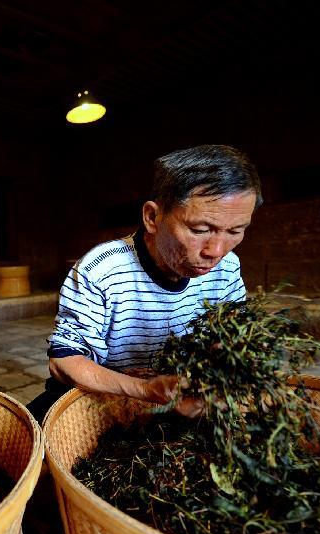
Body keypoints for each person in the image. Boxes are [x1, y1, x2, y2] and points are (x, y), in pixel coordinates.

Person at [28, 144, 262, 423]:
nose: (217, 250)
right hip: (99, 396)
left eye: (236, 231)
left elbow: (233, 338)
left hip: (179, 400)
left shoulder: (227, 267)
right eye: (200, 230)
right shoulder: (101, 269)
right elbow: (64, 361)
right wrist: (146, 389)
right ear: (153, 217)